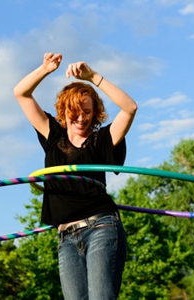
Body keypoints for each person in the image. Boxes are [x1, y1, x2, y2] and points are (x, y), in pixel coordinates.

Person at [13, 52, 137, 299]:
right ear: (64, 109)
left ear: (95, 112)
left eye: (88, 112)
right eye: (75, 111)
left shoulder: (102, 140)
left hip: (101, 226)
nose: (81, 117)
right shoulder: (52, 135)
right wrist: (45, 69)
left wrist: (93, 77)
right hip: (65, 237)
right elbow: (21, 93)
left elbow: (130, 108)